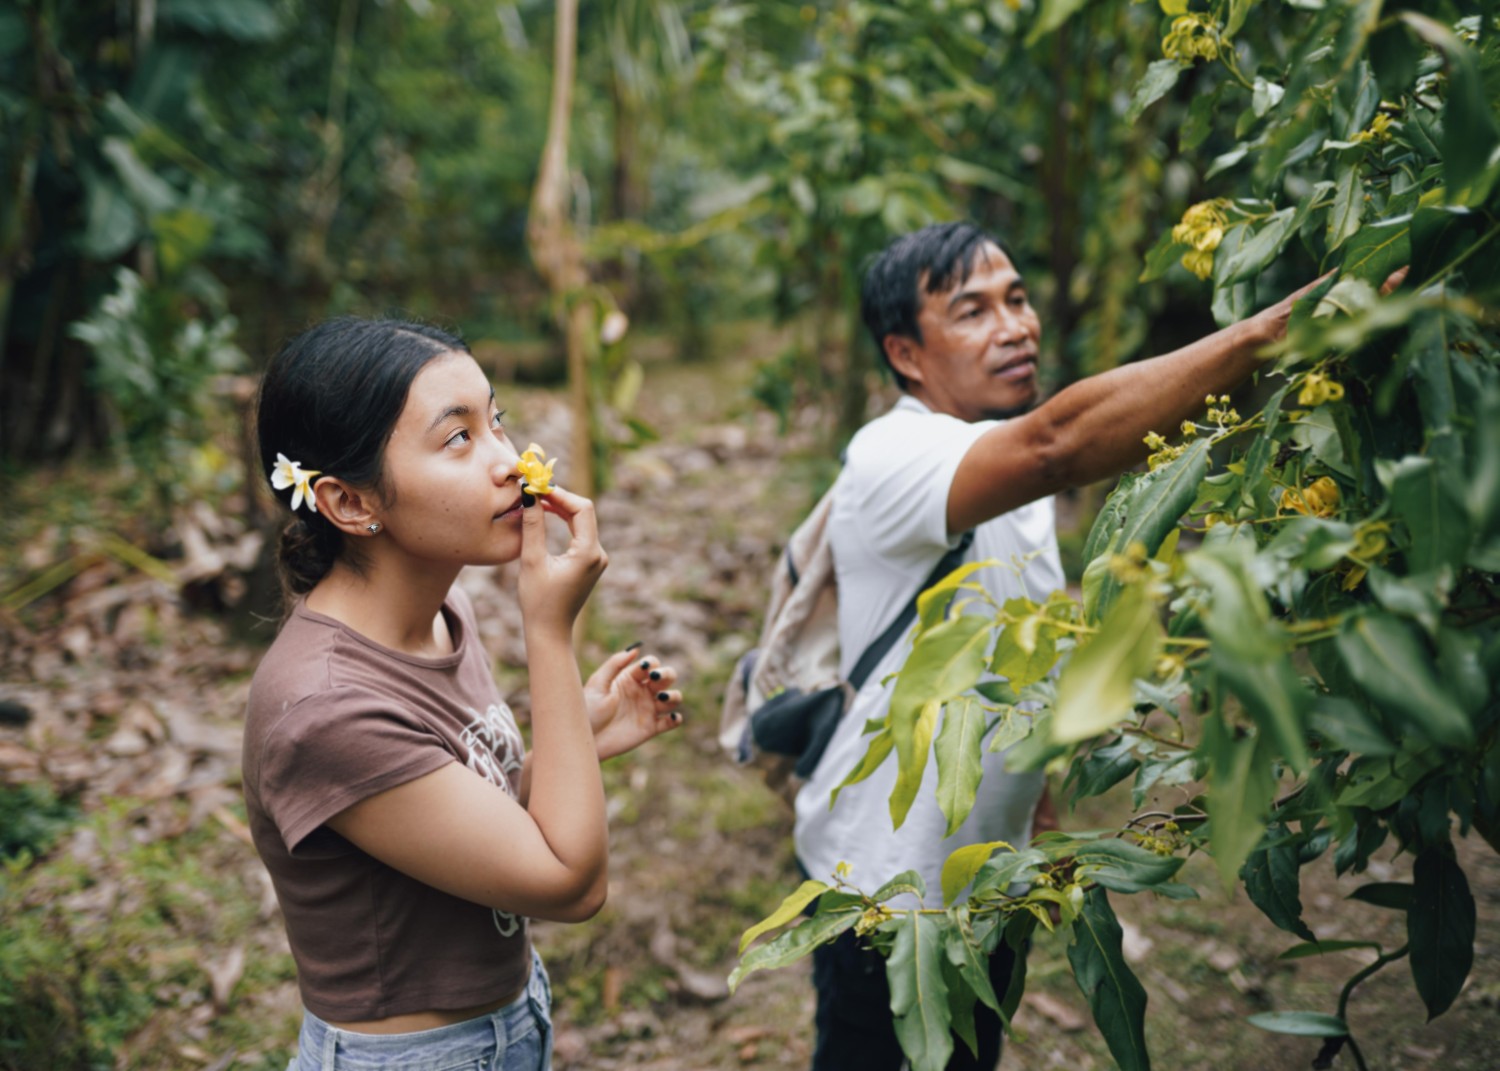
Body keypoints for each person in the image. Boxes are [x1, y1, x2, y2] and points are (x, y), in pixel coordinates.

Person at [792, 221, 1340, 1071]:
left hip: (987, 879)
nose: (1015, 326)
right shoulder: (895, 453)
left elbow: (1018, 651)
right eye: (972, 311)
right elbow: (1058, 445)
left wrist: (1033, 805)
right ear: (906, 353)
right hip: (882, 887)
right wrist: (1268, 333)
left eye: (1017, 298)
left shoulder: (1001, 472)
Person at [243, 317, 684, 1071]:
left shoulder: (444, 616)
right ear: (350, 503)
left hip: (509, 1020)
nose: (512, 463)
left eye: (497, 421)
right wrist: (548, 632)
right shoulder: (324, 710)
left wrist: (574, 735)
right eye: (458, 439)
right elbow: (570, 883)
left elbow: (480, 817)